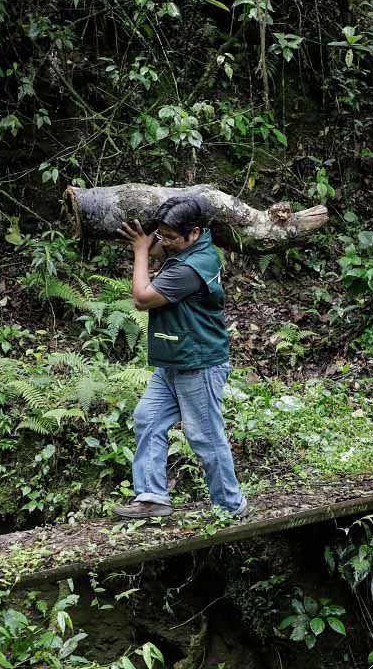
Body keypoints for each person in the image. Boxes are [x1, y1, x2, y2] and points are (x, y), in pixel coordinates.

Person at [112, 197, 248, 519]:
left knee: (204, 436)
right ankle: (152, 497)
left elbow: (143, 299)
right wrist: (156, 240)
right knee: (148, 417)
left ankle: (231, 506)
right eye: (161, 234)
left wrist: (141, 251)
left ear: (194, 232)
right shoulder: (192, 248)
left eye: (171, 236)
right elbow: (164, 247)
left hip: (198, 364)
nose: (164, 242)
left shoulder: (191, 268)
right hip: (175, 360)